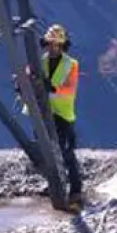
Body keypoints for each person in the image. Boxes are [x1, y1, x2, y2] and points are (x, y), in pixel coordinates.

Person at [40, 24, 83, 210]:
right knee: (46, 151)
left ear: (63, 45)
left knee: (66, 153)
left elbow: (70, 89)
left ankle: (75, 190)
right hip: (43, 113)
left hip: (63, 114)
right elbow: (28, 75)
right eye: (51, 44)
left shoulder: (71, 64)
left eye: (57, 44)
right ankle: (55, 185)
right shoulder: (40, 61)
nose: (53, 47)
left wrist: (53, 89)